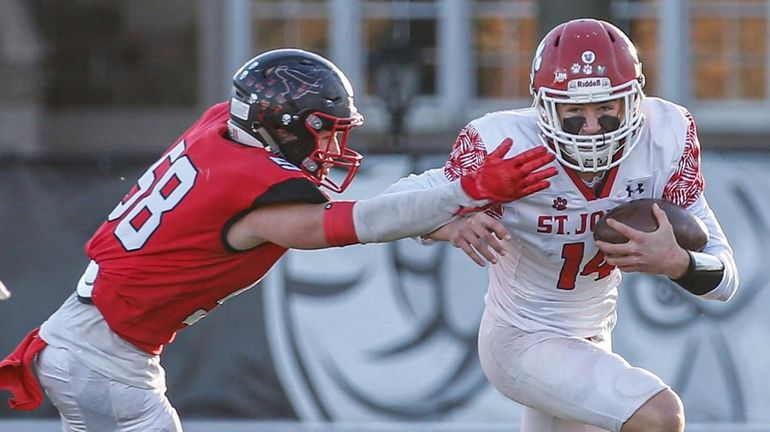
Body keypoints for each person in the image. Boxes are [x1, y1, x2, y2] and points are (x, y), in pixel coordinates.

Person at [0, 49, 559, 431]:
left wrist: (445, 221)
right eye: (323, 128)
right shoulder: (254, 186)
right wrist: (462, 191)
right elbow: (344, 226)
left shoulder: (222, 128)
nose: (331, 146)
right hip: (102, 358)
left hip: (89, 343)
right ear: (281, 121)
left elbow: (337, 218)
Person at [385, 18, 738, 432]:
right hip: (521, 338)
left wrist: (678, 262)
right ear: (545, 107)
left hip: (591, 336)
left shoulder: (664, 138)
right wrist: (445, 225)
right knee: (660, 415)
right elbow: (393, 203)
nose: (591, 127)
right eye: (574, 112)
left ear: (633, 99)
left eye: (606, 109)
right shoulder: (506, 145)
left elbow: (725, 279)